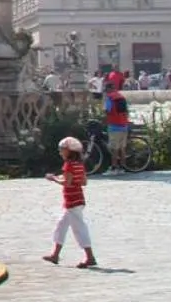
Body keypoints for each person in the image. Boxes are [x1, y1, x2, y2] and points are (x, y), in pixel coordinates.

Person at [43, 136, 94, 268]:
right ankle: (55, 254)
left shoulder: (68, 165)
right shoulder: (79, 164)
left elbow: (67, 182)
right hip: (78, 198)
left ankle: (90, 256)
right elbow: (83, 182)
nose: (60, 152)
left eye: (62, 150)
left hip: (72, 200)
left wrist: (54, 178)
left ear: (68, 151)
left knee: (79, 228)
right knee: (62, 225)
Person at [102, 71, 130, 159]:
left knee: (114, 149)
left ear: (108, 89)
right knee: (122, 148)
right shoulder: (121, 96)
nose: (106, 92)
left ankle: (114, 168)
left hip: (114, 126)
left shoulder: (109, 98)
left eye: (106, 90)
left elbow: (107, 111)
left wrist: (103, 120)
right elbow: (126, 110)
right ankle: (123, 166)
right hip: (124, 125)